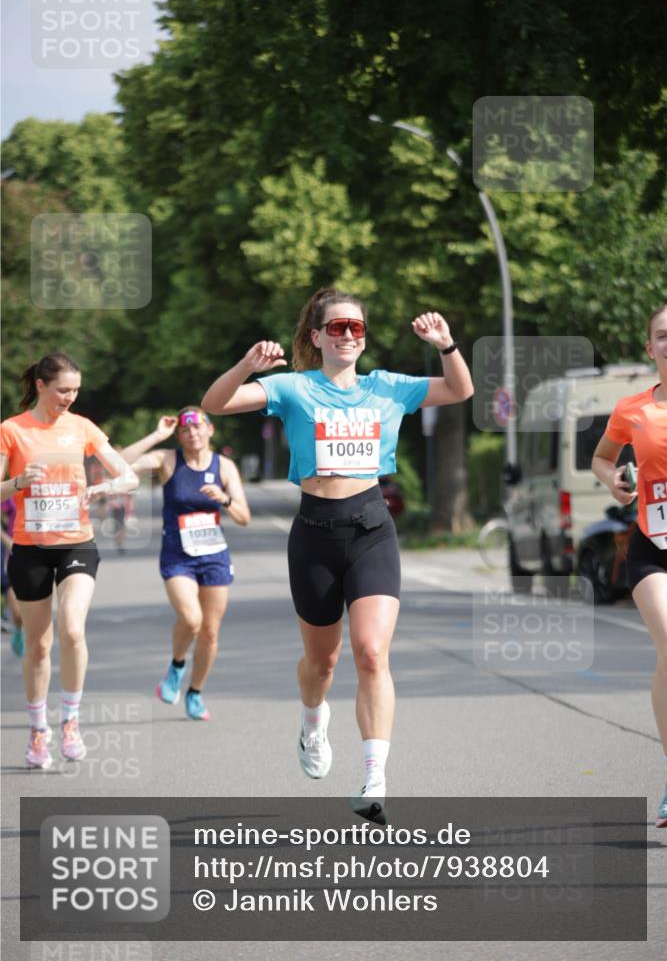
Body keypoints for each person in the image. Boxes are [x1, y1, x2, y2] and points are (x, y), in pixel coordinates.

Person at [202, 287, 474, 822]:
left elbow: (460, 390)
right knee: (322, 661)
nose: (348, 335)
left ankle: (375, 775)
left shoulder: (388, 388)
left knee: (372, 652)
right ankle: (312, 722)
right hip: (314, 534)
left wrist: (447, 345)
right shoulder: (294, 387)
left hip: (372, 528)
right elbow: (215, 404)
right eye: (337, 327)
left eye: (356, 327)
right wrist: (246, 365)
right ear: (316, 336)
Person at [0, 352, 139, 769]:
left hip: (77, 543)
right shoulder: (12, 431)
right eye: (63, 390)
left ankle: (71, 721)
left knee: (73, 630)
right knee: (39, 646)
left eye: (75, 390)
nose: (69, 398)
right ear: (41, 386)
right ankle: (38, 729)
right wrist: (18, 482)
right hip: (30, 548)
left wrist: (105, 487)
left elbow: (128, 475)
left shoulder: (82, 427)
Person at [120, 407, 251, 721]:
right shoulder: (167, 461)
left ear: (210, 430)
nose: (192, 434)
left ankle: (195, 692)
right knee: (192, 620)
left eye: (198, 428)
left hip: (214, 556)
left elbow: (244, 518)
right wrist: (156, 435)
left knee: (210, 632)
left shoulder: (225, 467)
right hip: (178, 555)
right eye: (185, 430)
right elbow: (118, 462)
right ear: (179, 435)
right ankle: (177, 667)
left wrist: (224, 498)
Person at [592, 303, 667, 828]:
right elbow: (601, 457)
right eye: (662, 336)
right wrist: (613, 481)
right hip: (652, 545)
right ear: (650, 348)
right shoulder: (633, 408)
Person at [1, 497, 24, 656]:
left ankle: (19, 631)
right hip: (7, 551)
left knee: (18, 612)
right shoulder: (7, 492)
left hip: (23, 553)